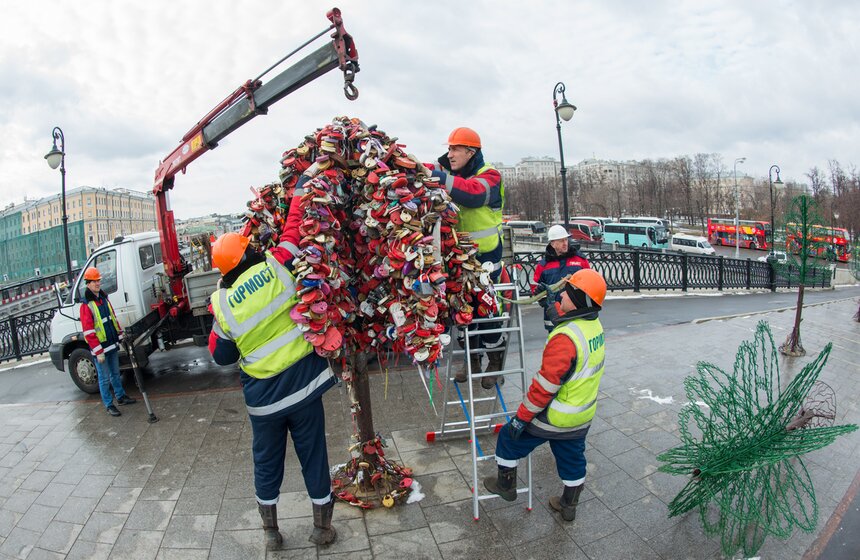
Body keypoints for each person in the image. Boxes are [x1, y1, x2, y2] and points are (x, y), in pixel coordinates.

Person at [208, 231, 338, 549]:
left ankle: (270, 533)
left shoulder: (223, 302)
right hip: (304, 388)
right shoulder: (276, 266)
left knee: (266, 461)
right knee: (314, 456)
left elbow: (221, 355)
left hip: (264, 404)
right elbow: (294, 236)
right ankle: (322, 529)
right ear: (245, 253)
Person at [483, 269, 607, 523]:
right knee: (572, 460)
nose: (561, 296)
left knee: (508, 436)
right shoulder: (593, 326)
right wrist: (551, 309)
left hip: (555, 417)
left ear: (580, 300)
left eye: (567, 294)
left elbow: (544, 388)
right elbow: (572, 336)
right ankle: (568, 505)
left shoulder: (565, 339)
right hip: (581, 416)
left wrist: (521, 418)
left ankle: (505, 486)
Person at [426, 127, 506, 388]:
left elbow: (473, 194)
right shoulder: (449, 171)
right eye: (448, 149)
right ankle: (472, 359)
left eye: (455, 149)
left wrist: (436, 176)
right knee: (463, 307)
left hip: (486, 257)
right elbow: (427, 168)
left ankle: (495, 360)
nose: (450, 154)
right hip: (460, 257)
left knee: (488, 309)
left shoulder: (490, 176)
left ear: (471, 152)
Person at [79, 266, 137, 417]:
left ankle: (121, 396)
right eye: (94, 281)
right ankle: (109, 404)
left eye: (98, 280)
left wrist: (119, 336)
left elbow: (112, 319)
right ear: (88, 284)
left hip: (110, 344)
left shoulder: (103, 298)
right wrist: (98, 351)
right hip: (101, 349)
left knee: (115, 374)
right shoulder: (86, 304)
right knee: (104, 379)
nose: (97, 283)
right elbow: (89, 331)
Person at [533, 224, 591, 331]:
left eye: (566, 240)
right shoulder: (543, 266)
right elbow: (535, 290)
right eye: (561, 241)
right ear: (552, 244)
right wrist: (543, 298)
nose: (565, 243)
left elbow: (590, 284)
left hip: (576, 314)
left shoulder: (580, 261)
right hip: (553, 316)